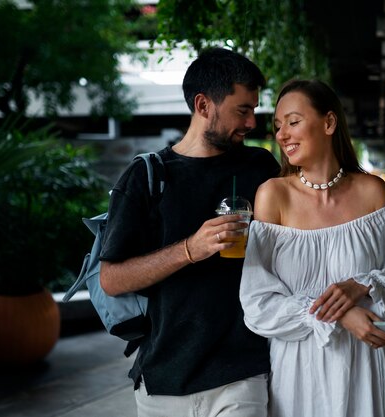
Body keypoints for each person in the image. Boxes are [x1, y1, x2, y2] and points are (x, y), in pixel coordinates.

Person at [99, 47, 280, 417]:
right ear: (203, 105)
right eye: (242, 110)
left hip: (242, 371)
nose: (251, 123)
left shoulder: (260, 167)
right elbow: (111, 279)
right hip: (164, 378)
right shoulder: (147, 176)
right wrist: (189, 249)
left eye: (254, 110)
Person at [239, 79, 385, 417]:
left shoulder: (372, 191)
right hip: (299, 373)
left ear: (329, 123)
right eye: (278, 126)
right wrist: (341, 313)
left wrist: (363, 284)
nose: (282, 134)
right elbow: (257, 304)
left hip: (365, 370)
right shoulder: (273, 195)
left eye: (293, 121)